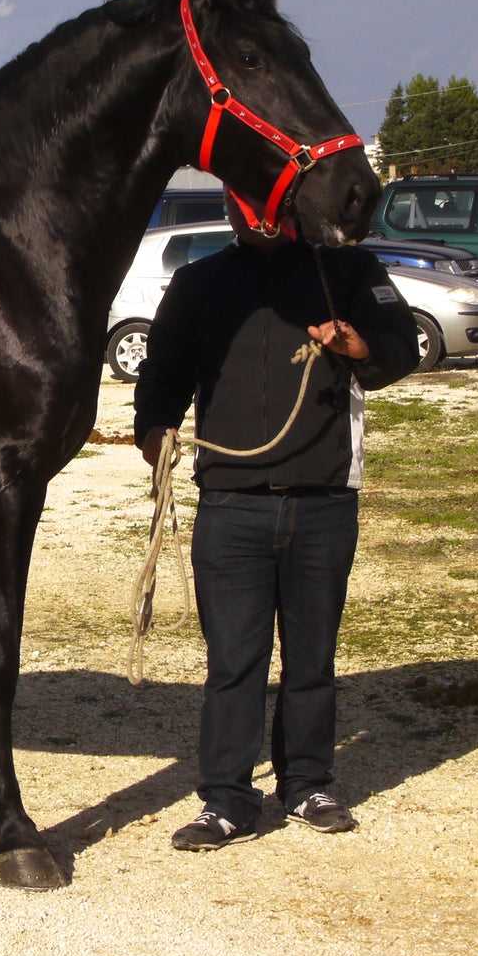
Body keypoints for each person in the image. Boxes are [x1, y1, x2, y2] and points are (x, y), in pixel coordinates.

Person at [133, 188, 419, 851]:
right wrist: (154, 427)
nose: (254, 212)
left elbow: (400, 345)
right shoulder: (198, 282)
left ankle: (307, 784)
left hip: (323, 499)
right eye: (242, 202)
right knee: (233, 661)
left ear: (290, 206)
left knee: (312, 659)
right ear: (230, 208)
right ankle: (228, 800)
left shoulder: (344, 272)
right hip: (231, 502)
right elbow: (163, 370)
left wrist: (356, 345)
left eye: (266, 201)